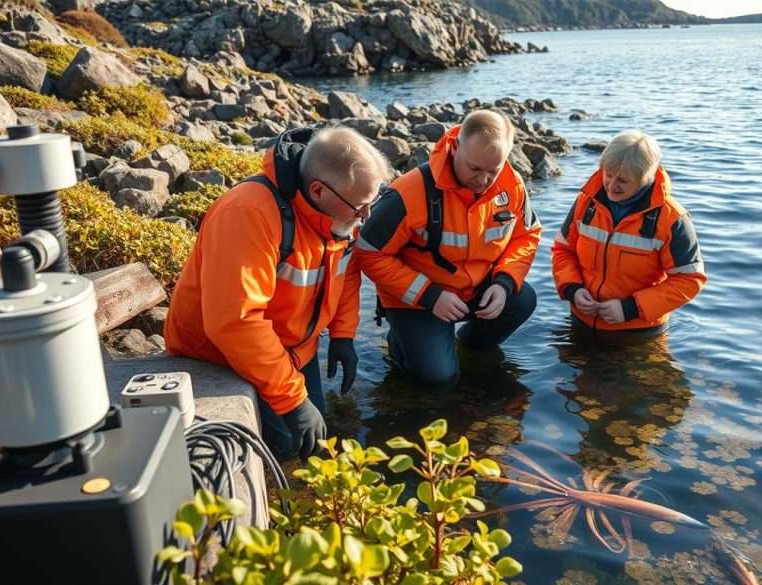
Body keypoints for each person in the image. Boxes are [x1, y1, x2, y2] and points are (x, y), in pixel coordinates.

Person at [164, 127, 392, 460]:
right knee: (286, 448)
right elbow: (235, 322)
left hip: (293, 348)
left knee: (316, 439)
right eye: (360, 207)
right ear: (317, 191)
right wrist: (293, 401)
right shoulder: (248, 213)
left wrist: (343, 335)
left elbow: (346, 270)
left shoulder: (338, 214)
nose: (366, 216)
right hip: (219, 355)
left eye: (373, 202)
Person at [356, 109, 541, 387]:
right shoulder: (409, 193)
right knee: (438, 379)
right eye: (474, 168)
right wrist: (428, 295)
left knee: (523, 299)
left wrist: (503, 284)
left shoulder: (512, 186)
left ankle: (468, 342)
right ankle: (401, 339)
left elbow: (526, 236)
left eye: (494, 170)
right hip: (418, 297)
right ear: (455, 147)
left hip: (476, 289)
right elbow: (367, 252)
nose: (483, 180)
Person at [552, 129, 706, 334]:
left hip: (638, 333)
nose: (611, 186)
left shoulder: (672, 219)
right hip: (581, 322)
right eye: (608, 174)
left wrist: (632, 308)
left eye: (623, 181)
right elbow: (563, 250)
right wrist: (572, 289)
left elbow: (689, 281)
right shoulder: (586, 202)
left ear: (645, 179)